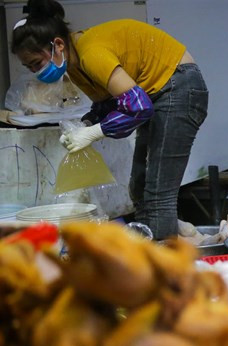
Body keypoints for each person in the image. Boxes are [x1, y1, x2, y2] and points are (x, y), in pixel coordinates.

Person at [12, 0, 208, 240]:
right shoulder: (75, 64)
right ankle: (150, 245)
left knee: (158, 193)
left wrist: (93, 132)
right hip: (158, 92)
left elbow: (138, 108)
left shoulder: (90, 53)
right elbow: (110, 102)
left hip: (178, 86)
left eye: (37, 63)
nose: (36, 72)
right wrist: (85, 124)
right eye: (29, 67)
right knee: (139, 187)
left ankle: (162, 257)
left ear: (58, 45)